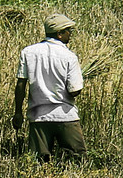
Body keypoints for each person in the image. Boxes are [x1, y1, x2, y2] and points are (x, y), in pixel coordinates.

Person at [13, 13, 86, 162]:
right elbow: (74, 91)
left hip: (38, 117)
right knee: (77, 159)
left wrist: (18, 113)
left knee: (40, 162)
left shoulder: (28, 52)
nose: (70, 35)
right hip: (65, 116)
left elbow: (21, 84)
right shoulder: (69, 56)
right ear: (59, 34)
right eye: (68, 31)